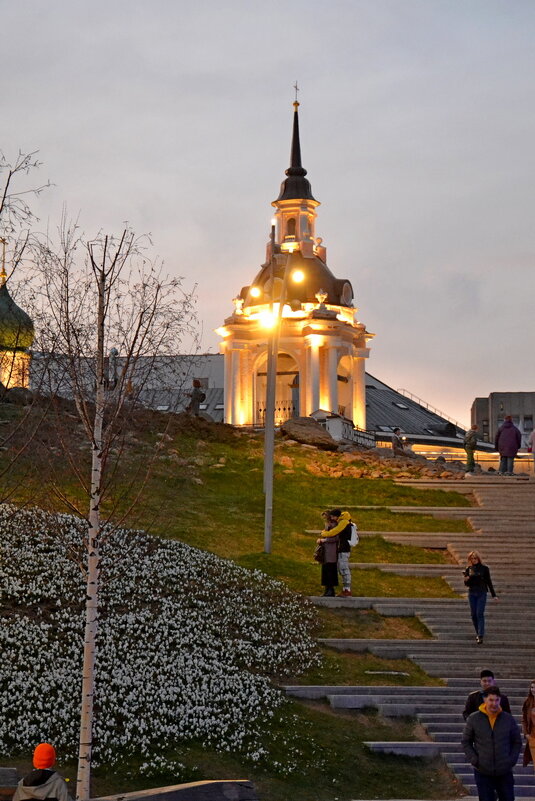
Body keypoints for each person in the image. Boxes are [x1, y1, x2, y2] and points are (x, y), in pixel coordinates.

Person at [462, 686, 522, 801]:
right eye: (491, 700)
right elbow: (466, 741)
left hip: (504, 771)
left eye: (496, 700)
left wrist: (511, 760)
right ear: (485, 699)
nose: (494, 703)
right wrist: (475, 760)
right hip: (483, 771)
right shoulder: (474, 719)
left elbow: (517, 742)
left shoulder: (508, 719)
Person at [463, 551, 498, 644]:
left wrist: (494, 594)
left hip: (481, 592)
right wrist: (466, 580)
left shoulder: (484, 569)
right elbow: (467, 584)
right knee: (473, 614)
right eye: (472, 558)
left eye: (475, 558)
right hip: (472, 592)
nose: (474, 560)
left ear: (478, 558)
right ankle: (478, 633)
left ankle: (480, 635)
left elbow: (489, 582)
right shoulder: (468, 569)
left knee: (479, 613)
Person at [322, 508, 355, 597]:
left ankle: (347, 590)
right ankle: (345, 589)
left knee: (344, 568)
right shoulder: (344, 521)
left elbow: (334, 532)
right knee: (341, 568)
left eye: (333, 516)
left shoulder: (343, 522)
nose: (332, 518)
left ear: (337, 516)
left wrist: (324, 533)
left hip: (344, 549)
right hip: (342, 549)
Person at [316, 511, 339, 597]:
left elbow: (335, 538)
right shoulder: (329, 525)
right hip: (326, 551)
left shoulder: (334, 525)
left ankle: (330, 590)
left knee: (330, 570)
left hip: (331, 551)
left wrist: (324, 540)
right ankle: (327, 589)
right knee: (325, 570)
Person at [521, 679, 535, 771]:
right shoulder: (528, 702)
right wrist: (526, 734)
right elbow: (524, 719)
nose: (533, 690)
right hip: (532, 737)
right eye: (532, 687)